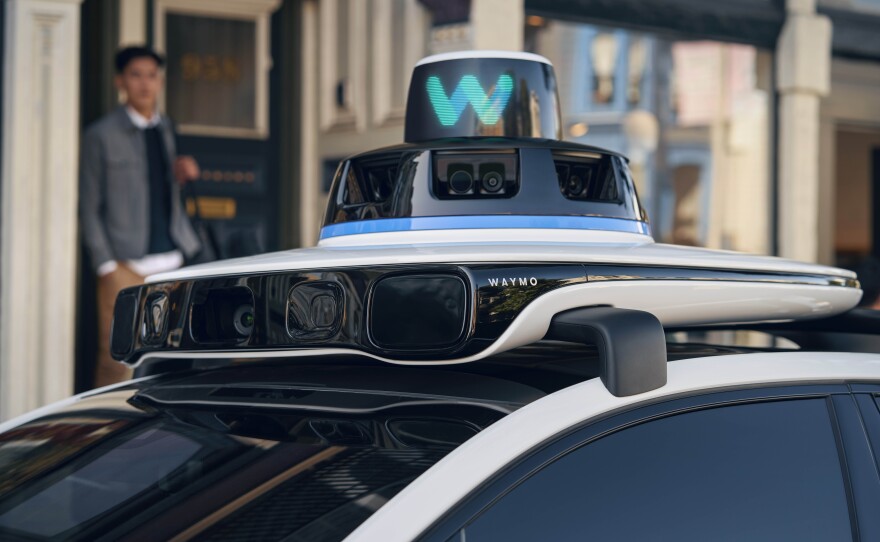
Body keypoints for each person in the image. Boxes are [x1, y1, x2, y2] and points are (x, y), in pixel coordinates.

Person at [80, 46, 201, 387]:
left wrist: (182, 174)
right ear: (121, 81)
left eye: (151, 75)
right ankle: (108, 432)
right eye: (136, 75)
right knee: (116, 360)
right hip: (124, 266)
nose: (145, 84)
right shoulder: (100, 135)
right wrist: (105, 264)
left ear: (159, 82)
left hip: (174, 260)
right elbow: (89, 205)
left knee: (171, 355)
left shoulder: (167, 129)